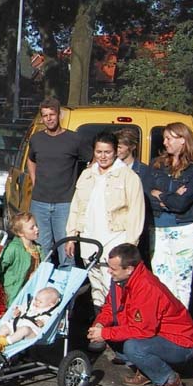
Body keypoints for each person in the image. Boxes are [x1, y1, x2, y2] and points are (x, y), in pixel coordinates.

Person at [87, 244, 193, 386]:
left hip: (181, 344)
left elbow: (143, 331)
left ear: (129, 269)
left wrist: (105, 333)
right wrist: (100, 324)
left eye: (113, 268)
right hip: (155, 335)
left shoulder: (146, 288)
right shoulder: (121, 280)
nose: (109, 271)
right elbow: (109, 308)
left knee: (133, 347)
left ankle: (169, 380)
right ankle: (148, 370)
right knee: (111, 334)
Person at [65, 131, 145, 318]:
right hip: (89, 239)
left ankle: (117, 325)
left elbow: (136, 211)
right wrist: (71, 236)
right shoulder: (86, 175)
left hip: (115, 238)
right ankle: (101, 322)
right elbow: (76, 207)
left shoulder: (128, 177)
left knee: (114, 284)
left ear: (115, 152)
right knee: (96, 284)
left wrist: (130, 245)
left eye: (107, 152)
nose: (102, 156)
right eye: (99, 152)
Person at [147, 122, 193, 308]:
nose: (164, 142)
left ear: (182, 140)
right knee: (160, 278)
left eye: (169, 138)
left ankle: (181, 326)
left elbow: (181, 205)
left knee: (181, 279)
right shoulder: (156, 165)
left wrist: (161, 194)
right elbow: (147, 194)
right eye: (164, 138)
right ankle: (164, 321)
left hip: (184, 229)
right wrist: (170, 196)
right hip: (158, 227)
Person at [27, 98, 91, 264]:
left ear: (59, 115)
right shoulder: (36, 139)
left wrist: (84, 185)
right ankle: (42, 286)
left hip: (65, 203)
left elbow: (93, 160)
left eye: (52, 114)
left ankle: (64, 287)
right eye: (45, 115)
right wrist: (34, 181)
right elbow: (31, 159)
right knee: (41, 248)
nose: (49, 118)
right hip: (39, 202)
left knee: (66, 249)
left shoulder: (74, 139)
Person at [115, 127, 152, 264]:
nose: (117, 150)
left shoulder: (143, 170)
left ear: (131, 147)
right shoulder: (112, 169)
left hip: (136, 224)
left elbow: (146, 199)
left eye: (119, 147)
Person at [0, 287, 62, 351]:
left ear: (50, 305)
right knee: (5, 327)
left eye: (40, 302)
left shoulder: (50, 312)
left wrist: (43, 323)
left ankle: (6, 341)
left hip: (32, 331)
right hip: (18, 325)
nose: (36, 302)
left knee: (25, 330)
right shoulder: (31, 304)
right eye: (36, 299)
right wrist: (18, 311)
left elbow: (52, 323)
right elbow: (22, 308)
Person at [0, 212, 43, 305]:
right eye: (32, 228)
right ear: (20, 233)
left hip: (32, 291)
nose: (37, 229)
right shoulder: (13, 248)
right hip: (14, 293)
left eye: (36, 225)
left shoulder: (37, 248)